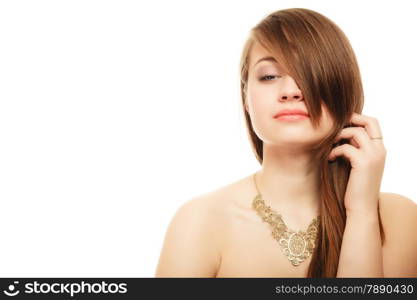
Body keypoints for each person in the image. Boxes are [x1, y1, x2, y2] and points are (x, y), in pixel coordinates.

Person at [155, 8, 417, 278]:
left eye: (308, 74)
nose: (290, 91)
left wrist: (361, 213)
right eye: (269, 76)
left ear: (343, 91)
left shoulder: (398, 219)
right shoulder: (199, 221)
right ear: (246, 98)